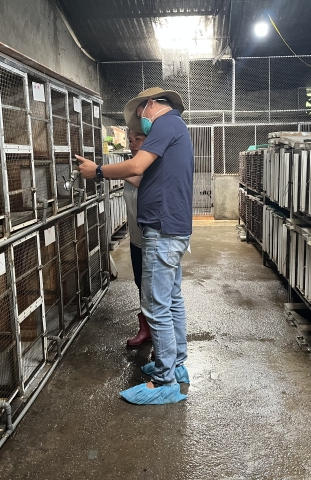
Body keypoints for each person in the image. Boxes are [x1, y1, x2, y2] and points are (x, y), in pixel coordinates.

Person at [76, 87, 194, 405]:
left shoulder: (165, 124)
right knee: (171, 300)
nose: (139, 123)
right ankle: (176, 365)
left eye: (140, 114)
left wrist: (97, 171)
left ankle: (165, 381)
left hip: (162, 228)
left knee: (156, 306)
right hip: (173, 227)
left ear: (150, 105)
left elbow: (135, 166)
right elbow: (147, 175)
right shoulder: (176, 127)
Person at [123, 129, 150, 347]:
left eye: (138, 139)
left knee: (156, 290)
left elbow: (142, 182)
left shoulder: (151, 167)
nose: (133, 144)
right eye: (130, 140)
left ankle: (163, 342)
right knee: (140, 284)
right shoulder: (129, 168)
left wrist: (104, 170)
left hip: (153, 240)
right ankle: (145, 328)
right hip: (135, 239)